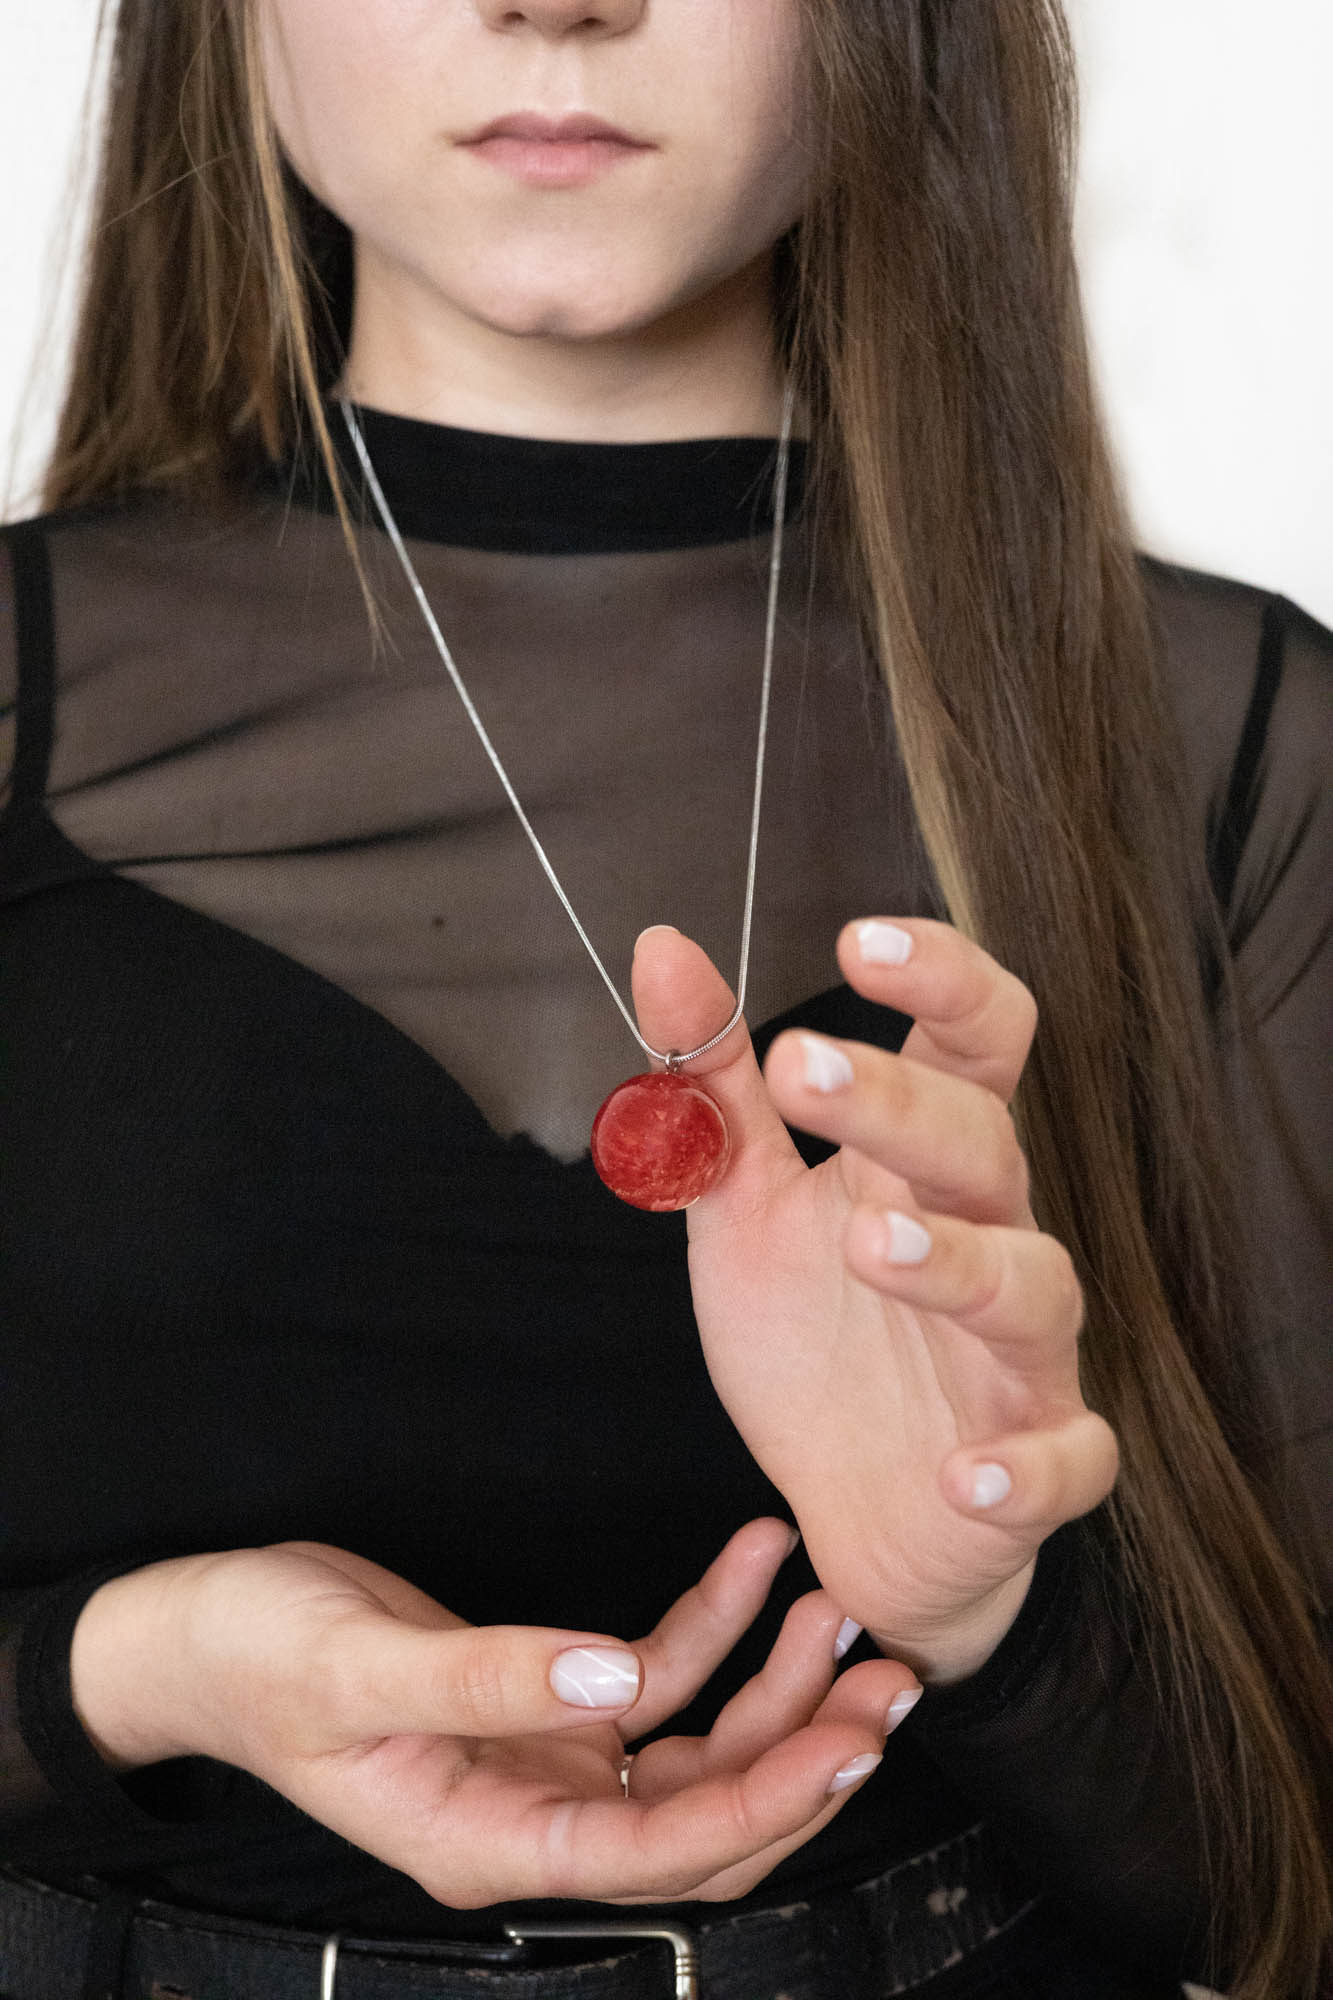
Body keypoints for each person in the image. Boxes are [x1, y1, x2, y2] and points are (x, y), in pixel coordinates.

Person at [0, 0, 1328, 1995]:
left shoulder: (1227, 737)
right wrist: (137, 1668)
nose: (558, 2)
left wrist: (993, 1608)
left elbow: (1277, 1892)